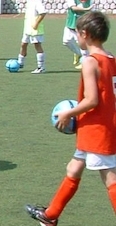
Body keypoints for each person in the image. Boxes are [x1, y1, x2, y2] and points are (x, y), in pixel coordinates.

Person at [25, 11, 116, 226]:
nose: (76, 38)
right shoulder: (111, 58)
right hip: (96, 126)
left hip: (98, 128)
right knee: (73, 168)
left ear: (85, 34)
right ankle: (50, 215)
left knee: (110, 178)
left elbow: (92, 100)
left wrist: (68, 113)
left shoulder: (90, 62)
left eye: (76, 33)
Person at [17, 0, 48, 74]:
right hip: (27, 27)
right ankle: (20, 63)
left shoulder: (37, 0)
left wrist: (36, 24)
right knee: (23, 44)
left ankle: (41, 67)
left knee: (37, 45)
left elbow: (42, 13)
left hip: (35, 28)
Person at [63, 0, 93, 69]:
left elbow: (92, 11)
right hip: (70, 24)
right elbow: (74, 8)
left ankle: (85, 62)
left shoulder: (88, 0)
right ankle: (79, 54)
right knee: (66, 41)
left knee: (82, 44)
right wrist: (86, 9)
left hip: (81, 26)